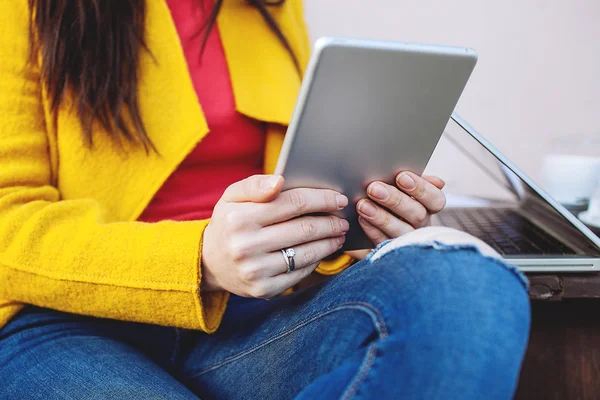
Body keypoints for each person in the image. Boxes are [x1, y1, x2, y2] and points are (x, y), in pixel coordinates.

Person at [0, 0, 530, 398]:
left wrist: (356, 217)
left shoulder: (270, 7)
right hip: (59, 322)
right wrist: (202, 259)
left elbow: (295, 175)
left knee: (469, 284)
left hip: (259, 309)